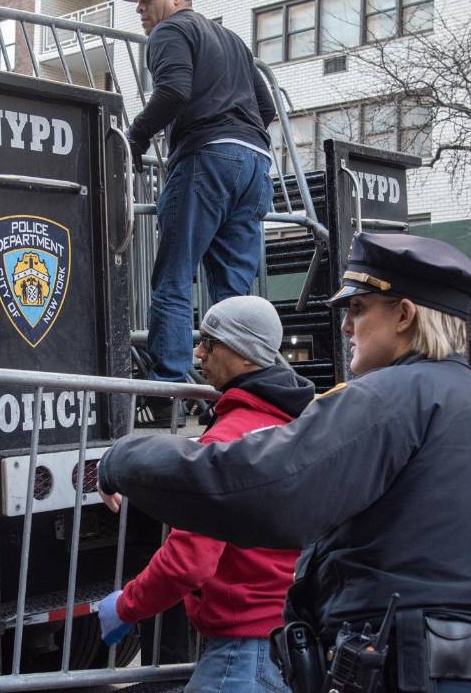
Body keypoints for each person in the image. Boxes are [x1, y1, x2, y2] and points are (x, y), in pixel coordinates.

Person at [99, 232, 471, 693]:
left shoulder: (387, 398)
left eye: (358, 309)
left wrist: (122, 458)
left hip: (416, 670)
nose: (345, 327)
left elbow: (259, 489)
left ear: (404, 314)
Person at [96, 296, 315, 693]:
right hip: (288, 643)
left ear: (246, 355)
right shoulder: (293, 428)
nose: (198, 352)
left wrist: (125, 607)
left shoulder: (227, 442)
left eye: (210, 343)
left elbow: (186, 562)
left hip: (241, 655)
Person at [118, 0, 278, 395]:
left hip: (207, 158)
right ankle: (243, 391)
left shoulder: (169, 33)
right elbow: (268, 110)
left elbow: (173, 92)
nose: (140, 9)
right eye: (138, 1)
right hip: (255, 162)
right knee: (233, 293)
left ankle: (169, 389)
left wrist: (132, 138)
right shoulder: (233, 41)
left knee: (174, 277)